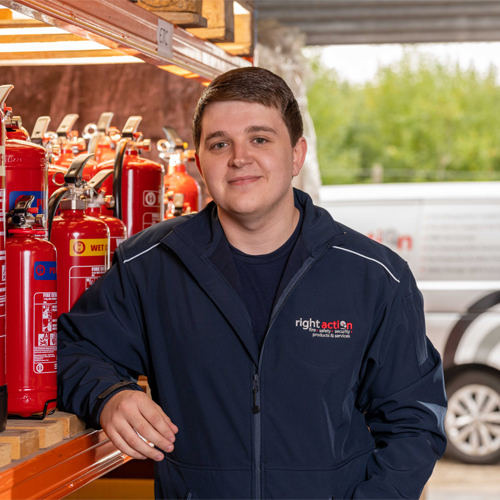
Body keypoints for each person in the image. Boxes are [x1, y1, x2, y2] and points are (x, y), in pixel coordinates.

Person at [57, 67, 447, 500]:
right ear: (199, 163)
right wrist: (109, 395)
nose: (239, 157)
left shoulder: (374, 276)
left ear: (297, 155)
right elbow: (71, 348)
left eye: (260, 139)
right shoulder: (151, 265)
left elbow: (415, 421)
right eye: (219, 143)